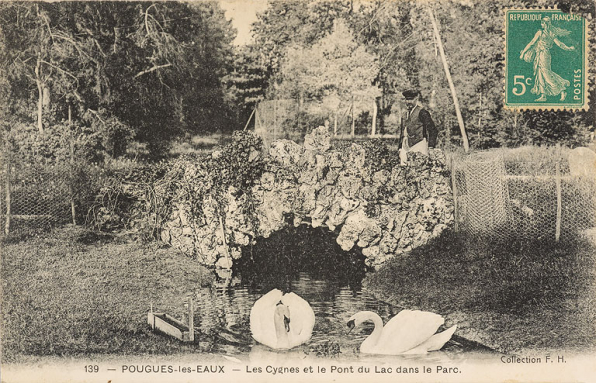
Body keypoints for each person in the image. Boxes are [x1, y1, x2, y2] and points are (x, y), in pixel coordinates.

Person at [519, 16, 575, 102]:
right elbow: (560, 44)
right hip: (541, 54)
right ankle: (543, 95)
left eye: (542, 23)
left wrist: (523, 53)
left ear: (546, 24)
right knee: (540, 73)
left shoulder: (541, 32)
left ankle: (562, 90)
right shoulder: (551, 33)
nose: (541, 24)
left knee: (546, 74)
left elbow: (532, 43)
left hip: (544, 54)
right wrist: (569, 48)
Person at [398, 90, 438, 165]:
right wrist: (400, 147)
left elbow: (433, 130)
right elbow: (402, 131)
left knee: (419, 169)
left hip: (419, 144)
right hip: (406, 145)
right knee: (404, 169)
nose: (408, 102)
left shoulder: (422, 112)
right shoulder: (404, 114)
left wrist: (431, 146)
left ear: (416, 99)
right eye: (407, 99)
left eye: (411, 99)